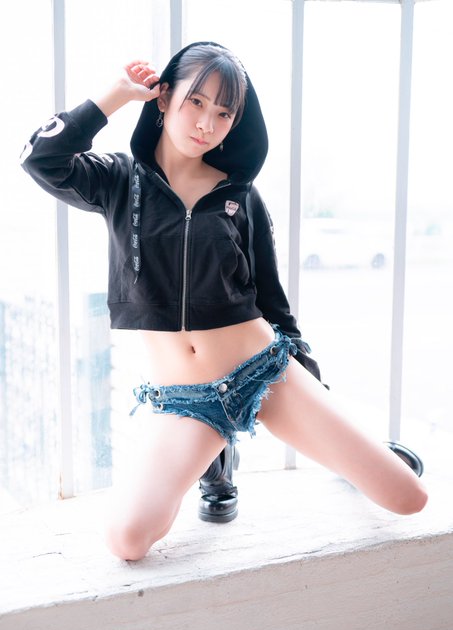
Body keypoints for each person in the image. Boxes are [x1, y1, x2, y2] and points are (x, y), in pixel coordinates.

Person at [21, 42, 427, 562]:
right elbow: (41, 158)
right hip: (186, 398)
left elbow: (272, 299)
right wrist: (117, 95)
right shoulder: (119, 180)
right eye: (196, 102)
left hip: (263, 372)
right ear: (163, 98)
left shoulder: (240, 196)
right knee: (128, 541)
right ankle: (215, 457)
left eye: (223, 113)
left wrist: (314, 388)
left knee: (408, 498)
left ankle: (356, 456)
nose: (206, 124)